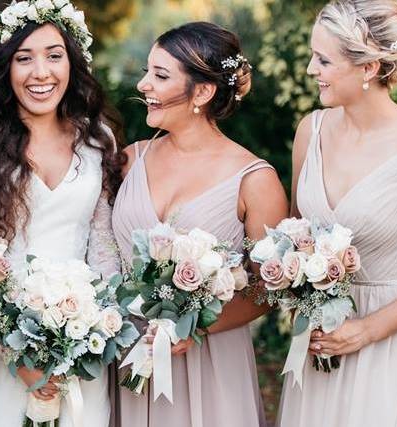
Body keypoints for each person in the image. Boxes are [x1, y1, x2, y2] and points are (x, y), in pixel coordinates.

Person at [0, 1, 124, 425]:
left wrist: (95, 326)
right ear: (4, 68)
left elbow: (103, 246)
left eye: (54, 55)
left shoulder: (97, 139)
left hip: (81, 341)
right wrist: (14, 349)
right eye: (24, 58)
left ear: (72, 63)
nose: (41, 72)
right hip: (0, 338)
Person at [111, 21, 288, 427]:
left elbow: (266, 291)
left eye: (160, 76)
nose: (143, 86)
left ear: (203, 92)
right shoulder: (129, 160)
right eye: (146, 72)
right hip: (130, 351)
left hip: (209, 360)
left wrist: (192, 328)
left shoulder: (254, 180)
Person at [279, 1, 397, 426]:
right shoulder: (309, 132)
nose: (312, 69)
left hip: (393, 345)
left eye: (324, 60)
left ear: (368, 68)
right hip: (319, 342)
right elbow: (296, 235)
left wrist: (366, 331)